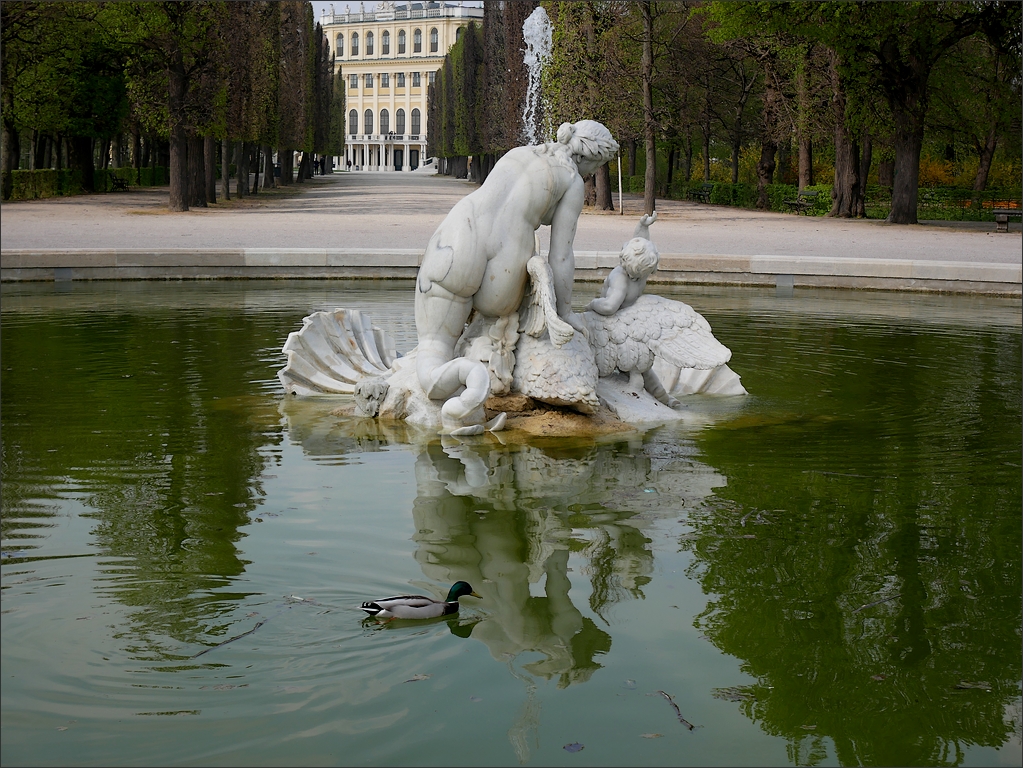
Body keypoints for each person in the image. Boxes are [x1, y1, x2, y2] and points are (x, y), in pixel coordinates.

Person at [415, 119, 619, 434]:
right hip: (504, 265)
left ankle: (455, 373)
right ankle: (480, 376)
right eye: (595, 166)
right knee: (522, 295)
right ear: (587, 157)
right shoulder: (572, 181)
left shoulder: (521, 152)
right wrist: (564, 312)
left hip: (456, 237)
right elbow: (561, 255)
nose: (591, 174)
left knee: (433, 347)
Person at [586, 212, 659, 316]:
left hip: (622, 316)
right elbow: (608, 307)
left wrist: (643, 227)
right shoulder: (629, 276)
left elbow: (609, 307)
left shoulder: (630, 274)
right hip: (615, 317)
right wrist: (592, 305)